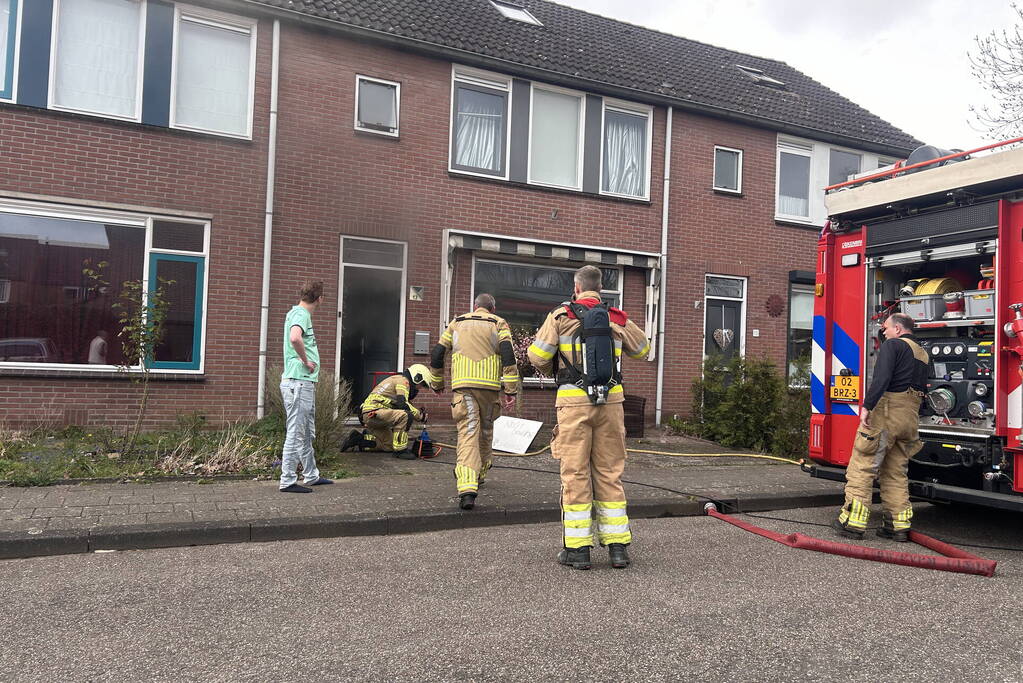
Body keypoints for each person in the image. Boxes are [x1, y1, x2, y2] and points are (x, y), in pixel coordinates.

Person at [527, 265, 650, 570]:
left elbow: (538, 356)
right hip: (611, 403)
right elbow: (643, 348)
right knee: (609, 473)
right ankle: (618, 548)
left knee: (576, 474)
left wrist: (555, 366)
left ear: (576, 287)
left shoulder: (560, 316)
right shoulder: (616, 316)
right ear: (601, 288)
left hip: (573, 404)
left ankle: (578, 551)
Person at [833, 312, 929, 541]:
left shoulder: (893, 345)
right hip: (909, 419)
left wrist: (867, 406)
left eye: (885, 328)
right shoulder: (923, 353)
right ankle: (897, 525)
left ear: (897, 328)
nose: (883, 332)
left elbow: (882, 378)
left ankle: (852, 523)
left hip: (887, 414)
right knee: (896, 472)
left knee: (863, 466)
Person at [428, 293, 519, 510]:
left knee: (468, 432)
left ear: (474, 306)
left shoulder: (457, 322)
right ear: (492, 309)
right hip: (489, 389)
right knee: (486, 432)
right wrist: (510, 390)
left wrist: (437, 382)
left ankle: (467, 488)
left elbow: (438, 352)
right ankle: (479, 474)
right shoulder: (499, 323)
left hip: (463, 387)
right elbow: (508, 354)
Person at [279, 281, 332, 493]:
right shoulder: (301, 315)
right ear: (320, 298)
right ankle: (287, 480)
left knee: (307, 431)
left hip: (302, 383)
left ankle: (311, 475)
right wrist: (306, 360)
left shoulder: (295, 312)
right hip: (299, 382)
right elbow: (295, 338)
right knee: (296, 432)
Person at [342, 365, 437, 457]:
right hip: (374, 413)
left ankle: (359, 439)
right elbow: (402, 404)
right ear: (417, 377)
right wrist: (420, 416)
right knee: (406, 415)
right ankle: (400, 451)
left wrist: (416, 411)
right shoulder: (403, 381)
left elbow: (403, 403)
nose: (420, 388)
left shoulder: (397, 379)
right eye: (422, 384)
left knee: (389, 445)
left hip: (372, 415)